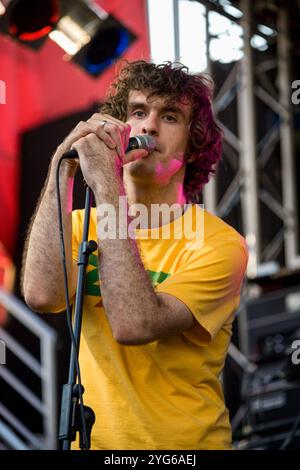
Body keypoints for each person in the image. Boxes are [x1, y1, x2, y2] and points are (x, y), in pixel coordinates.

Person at [21, 60, 248, 450]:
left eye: (170, 116)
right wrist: (64, 169)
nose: (149, 127)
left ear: (194, 148)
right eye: (138, 112)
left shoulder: (219, 245)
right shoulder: (81, 224)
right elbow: (42, 296)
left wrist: (108, 183)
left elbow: (134, 325)